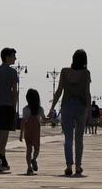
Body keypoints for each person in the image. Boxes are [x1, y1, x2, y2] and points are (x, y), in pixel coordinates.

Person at [49, 49, 92, 177]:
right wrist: (89, 110)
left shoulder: (64, 71)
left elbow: (59, 90)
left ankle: (68, 165)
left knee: (68, 138)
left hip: (67, 105)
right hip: (81, 106)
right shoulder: (86, 73)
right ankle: (78, 166)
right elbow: (87, 92)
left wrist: (52, 107)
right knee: (79, 138)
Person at [0, 47, 20, 173]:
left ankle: (4, 161)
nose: (15, 59)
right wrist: (14, 107)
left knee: (0, 133)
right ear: (7, 57)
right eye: (13, 56)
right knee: (5, 133)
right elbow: (15, 92)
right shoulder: (12, 73)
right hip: (8, 106)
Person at [19, 87, 44, 175]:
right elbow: (44, 120)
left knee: (29, 149)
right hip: (36, 131)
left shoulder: (25, 109)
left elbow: (23, 121)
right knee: (37, 148)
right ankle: (34, 159)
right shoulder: (40, 109)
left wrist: (21, 133)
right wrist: (51, 118)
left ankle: (29, 167)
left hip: (28, 131)